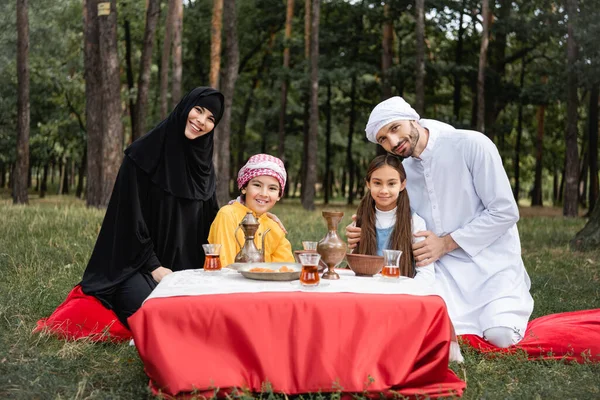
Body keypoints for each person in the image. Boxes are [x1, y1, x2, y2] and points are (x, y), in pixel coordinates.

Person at [347, 96, 533, 348]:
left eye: (394, 128)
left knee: (501, 336)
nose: (392, 142)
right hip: (444, 271)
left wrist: (446, 243)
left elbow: (505, 211)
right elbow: (397, 214)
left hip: (494, 267)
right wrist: (365, 226)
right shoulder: (405, 174)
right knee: (418, 328)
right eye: (383, 139)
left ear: (413, 118)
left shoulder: (471, 144)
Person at [79, 87, 225, 328]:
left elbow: (212, 220)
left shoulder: (203, 168)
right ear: (184, 108)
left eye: (211, 119)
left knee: (205, 316)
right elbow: (127, 220)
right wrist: (154, 267)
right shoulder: (142, 155)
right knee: (154, 313)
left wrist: (245, 211)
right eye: (198, 110)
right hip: (136, 265)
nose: (201, 121)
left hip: (187, 271)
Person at [353, 154, 434, 283]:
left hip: (401, 293)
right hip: (366, 291)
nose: (384, 190)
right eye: (377, 183)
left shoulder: (414, 222)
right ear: (368, 184)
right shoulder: (360, 220)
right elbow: (354, 268)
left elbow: (426, 274)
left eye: (391, 184)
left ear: (402, 185)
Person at [208, 154, 295, 267]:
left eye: (272, 188)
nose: (264, 194)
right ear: (244, 187)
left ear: (279, 195)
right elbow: (225, 266)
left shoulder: (274, 227)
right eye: (257, 185)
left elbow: (286, 269)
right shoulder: (228, 216)